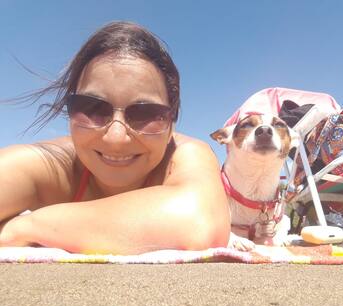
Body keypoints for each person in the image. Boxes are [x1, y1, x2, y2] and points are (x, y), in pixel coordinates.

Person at [0, 21, 230, 254]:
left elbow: (200, 224)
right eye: (92, 108)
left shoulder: (184, 154)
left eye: (145, 113)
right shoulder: (52, 166)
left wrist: (25, 226)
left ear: (172, 123)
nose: (116, 138)